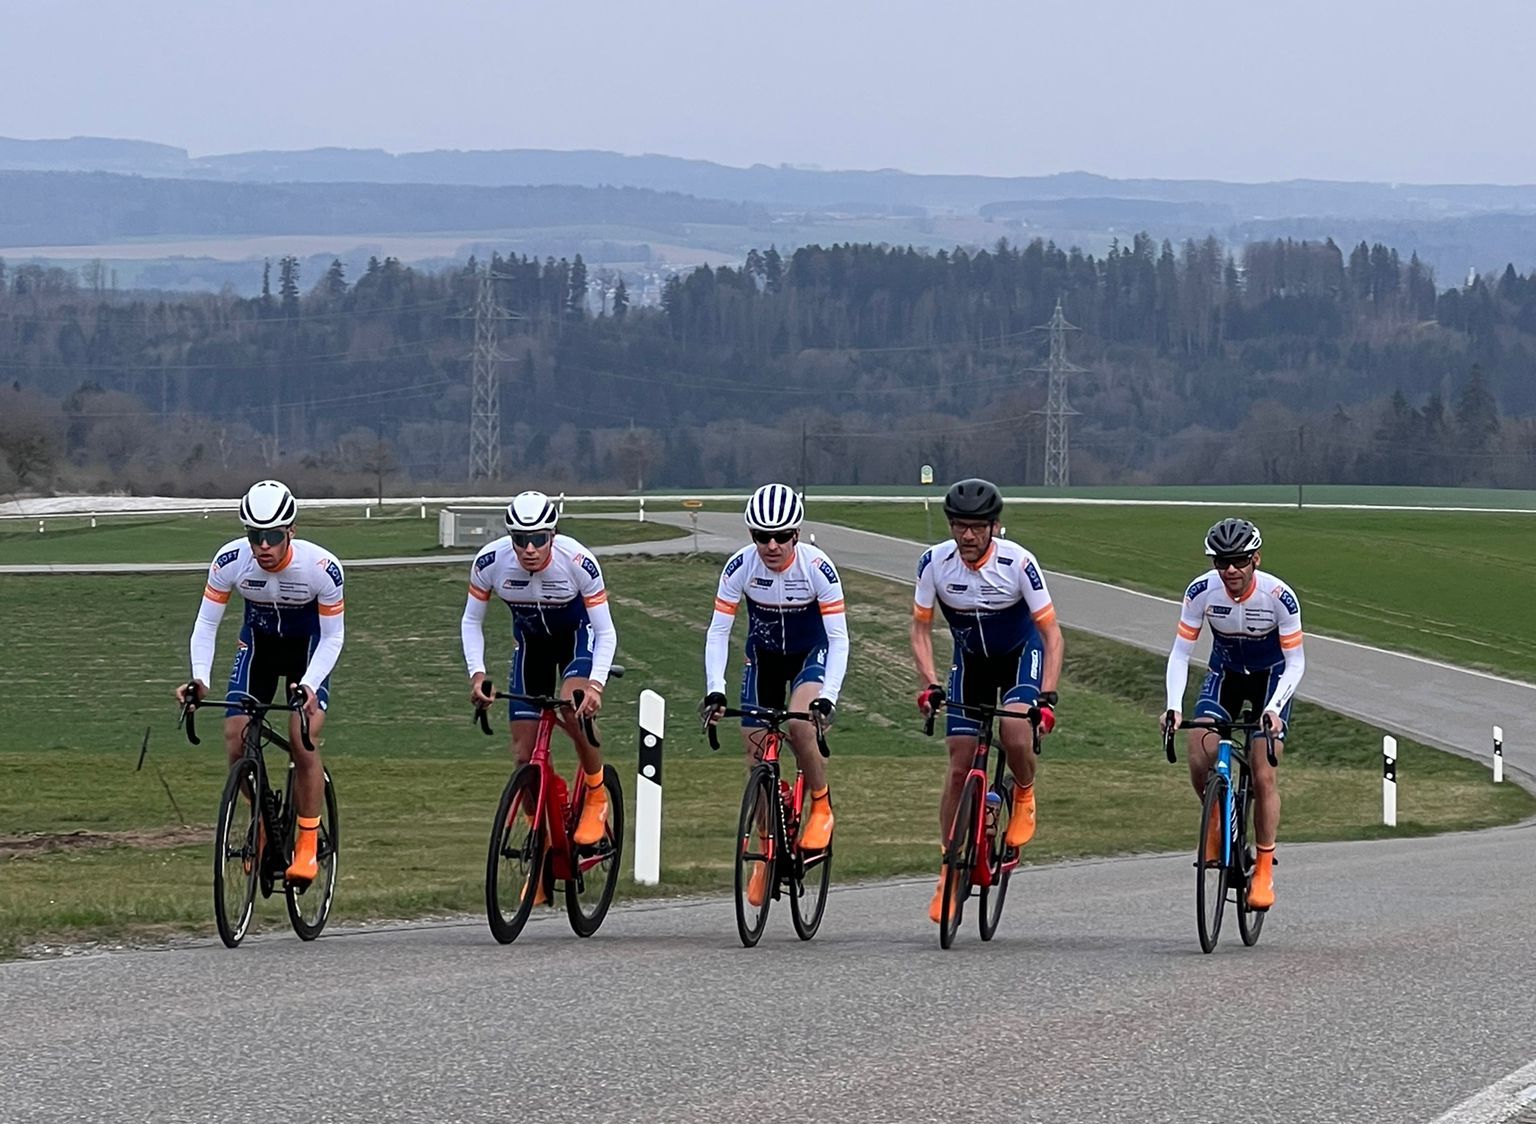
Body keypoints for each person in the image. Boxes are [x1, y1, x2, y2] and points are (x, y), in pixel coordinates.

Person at [175, 479, 344, 885]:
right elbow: (205, 624)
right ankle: (263, 821)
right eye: (255, 535)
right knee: (235, 738)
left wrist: (311, 683)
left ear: (291, 532)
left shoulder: (322, 568)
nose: (263, 546)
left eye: (272, 536)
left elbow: (334, 636)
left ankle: (306, 845)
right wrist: (199, 679)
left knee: (302, 738)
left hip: (308, 652)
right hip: (260, 647)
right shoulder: (231, 560)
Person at [911, 477, 1063, 923]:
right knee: (959, 764)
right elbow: (920, 628)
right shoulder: (934, 564)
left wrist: (1047, 696)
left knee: (1014, 729)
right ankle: (948, 870)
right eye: (959, 526)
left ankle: (1025, 792)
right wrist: (929, 682)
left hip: (1021, 656)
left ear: (994, 527)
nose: (968, 536)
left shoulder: (1019, 563)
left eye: (977, 527)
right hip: (970, 663)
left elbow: (1052, 634)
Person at [700, 483, 848, 906]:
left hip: (810, 657)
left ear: (796, 535)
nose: (771, 545)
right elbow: (718, 632)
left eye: (781, 536)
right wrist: (715, 689)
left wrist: (828, 696)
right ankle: (765, 854)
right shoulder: (739, 568)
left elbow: (838, 638)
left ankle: (820, 805)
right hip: (763, 659)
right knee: (755, 758)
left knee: (801, 726)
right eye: (761, 536)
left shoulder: (818, 569)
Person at [461, 490, 617, 857]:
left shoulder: (578, 561)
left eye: (538, 539)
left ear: (553, 534)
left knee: (571, 705)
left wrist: (596, 684)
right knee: (522, 756)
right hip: (531, 648)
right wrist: (477, 674)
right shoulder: (490, 562)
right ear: (510, 538)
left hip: (578, 640)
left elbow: (606, 630)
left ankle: (595, 793)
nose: (530, 549)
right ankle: (543, 833)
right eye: (520, 540)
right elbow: (471, 620)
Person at [1161, 517, 1305, 910]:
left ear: (1255, 558)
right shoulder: (1201, 592)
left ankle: (1262, 869)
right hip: (1225, 673)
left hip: (1270, 680)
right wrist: (1173, 706)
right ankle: (1216, 820)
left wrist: (1274, 710)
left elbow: (1295, 663)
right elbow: (1180, 653)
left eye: (1238, 561)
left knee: (1263, 773)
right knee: (1198, 749)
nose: (1230, 570)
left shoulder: (1279, 596)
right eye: (1221, 562)